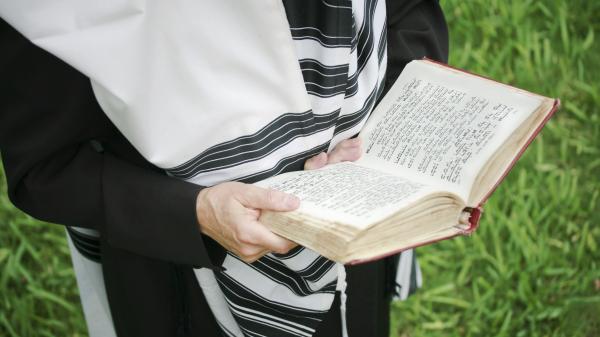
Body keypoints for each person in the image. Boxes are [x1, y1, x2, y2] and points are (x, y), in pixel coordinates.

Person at [0, 0, 448, 336]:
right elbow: (43, 165)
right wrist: (194, 214)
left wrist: (392, 117)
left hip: (357, 216)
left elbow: (407, 10)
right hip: (183, 272)